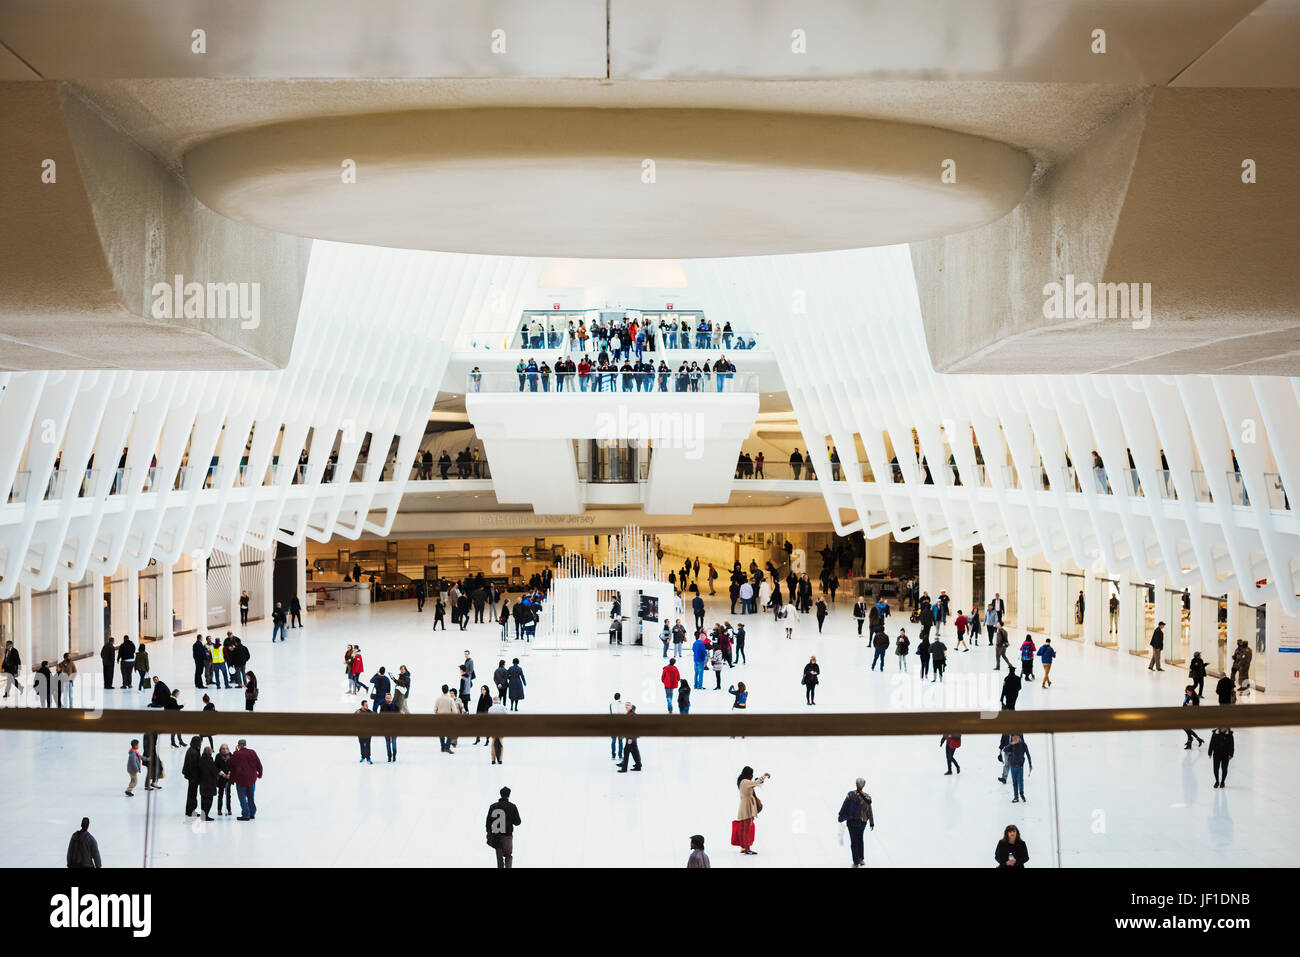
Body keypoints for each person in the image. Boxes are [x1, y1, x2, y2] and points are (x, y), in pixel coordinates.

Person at [836, 778, 875, 867]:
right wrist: (871, 823)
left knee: (854, 842)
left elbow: (844, 805)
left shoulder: (850, 795)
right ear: (864, 785)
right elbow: (869, 811)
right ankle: (861, 859)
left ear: (856, 784)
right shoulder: (867, 798)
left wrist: (840, 816)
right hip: (862, 823)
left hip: (852, 822)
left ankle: (855, 863)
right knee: (860, 839)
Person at [733, 767, 769, 855]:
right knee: (746, 829)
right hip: (747, 806)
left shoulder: (742, 781)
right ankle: (747, 849)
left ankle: (743, 847)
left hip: (744, 805)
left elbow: (754, 784)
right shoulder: (745, 781)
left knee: (742, 828)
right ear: (749, 774)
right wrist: (764, 775)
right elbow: (757, 783)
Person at [486, 786, 522, 868]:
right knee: (508, 856)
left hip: (496, 836)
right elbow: (518, 822)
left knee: (499, 859)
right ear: (508, 795)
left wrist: (489, 833)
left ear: (500, 794)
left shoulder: (493, 806)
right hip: (507, 836)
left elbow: (488, 823)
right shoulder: (512, 806)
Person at [228, 738, 263, 821]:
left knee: (242, 797)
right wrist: (260, 774)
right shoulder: (252, 752)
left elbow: (229, 762)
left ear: (238, 745)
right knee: (251, 797)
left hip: (241, 780)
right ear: (245, 744)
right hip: (251, 779)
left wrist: (235, 752)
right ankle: (252, 814)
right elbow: (259, 764)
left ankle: (246, 815)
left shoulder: (237, 754)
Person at [1002, 733, 1032, 802]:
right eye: (1013, 739)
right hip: (1013, 767)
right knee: (1014, 782)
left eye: (1016, 738)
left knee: (1020, 781)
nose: (1014, 740)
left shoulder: (1023, 745)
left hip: (1020, 767)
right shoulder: (1012, 745)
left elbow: (1028, 755)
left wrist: (1030, 765)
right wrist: (1011, 744)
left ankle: (1021, 793)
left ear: (1019, 737)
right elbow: (1004, 750)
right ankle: (1016, 797)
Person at [618, 702, 642, 772]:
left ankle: (624, 769)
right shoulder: (630, 714)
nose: (626, 706)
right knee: (634, 751)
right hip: (632, 737)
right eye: (626, 705)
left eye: (628, 705)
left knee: (626, 751)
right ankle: (638, 766)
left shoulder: (631, 715)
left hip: (631, 737)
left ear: (631, 707)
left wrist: (630, 738)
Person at [183, 735, 203, 818]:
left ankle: (189, 810)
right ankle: (191, 811)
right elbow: (194, 766)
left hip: (191, 776)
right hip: (193, 777)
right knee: (192, 794)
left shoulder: (192, 750)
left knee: (191, 794)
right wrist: (196, 778)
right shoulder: (194, 752)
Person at [197, 746, 219, 821]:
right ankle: (206, 816)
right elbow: (214, 771)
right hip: (210, 783)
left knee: (203, 799)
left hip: (202, 783)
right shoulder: (210, 760)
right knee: (209, 800)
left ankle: (203, 815)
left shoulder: (200, 759)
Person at [215, 744, 233, 815]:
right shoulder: (218, 756)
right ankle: (219, 809)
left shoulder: (230, 755)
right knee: (220, 795)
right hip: (221, 778)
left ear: (228, 749)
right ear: (220, 750)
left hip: (228, 778)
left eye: (226, 748)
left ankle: (229, 809)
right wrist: (222, 774)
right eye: (223, 749)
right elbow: (215, 767)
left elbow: (233, 765)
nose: (225, 750)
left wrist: (230, 773)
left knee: (228, 795)